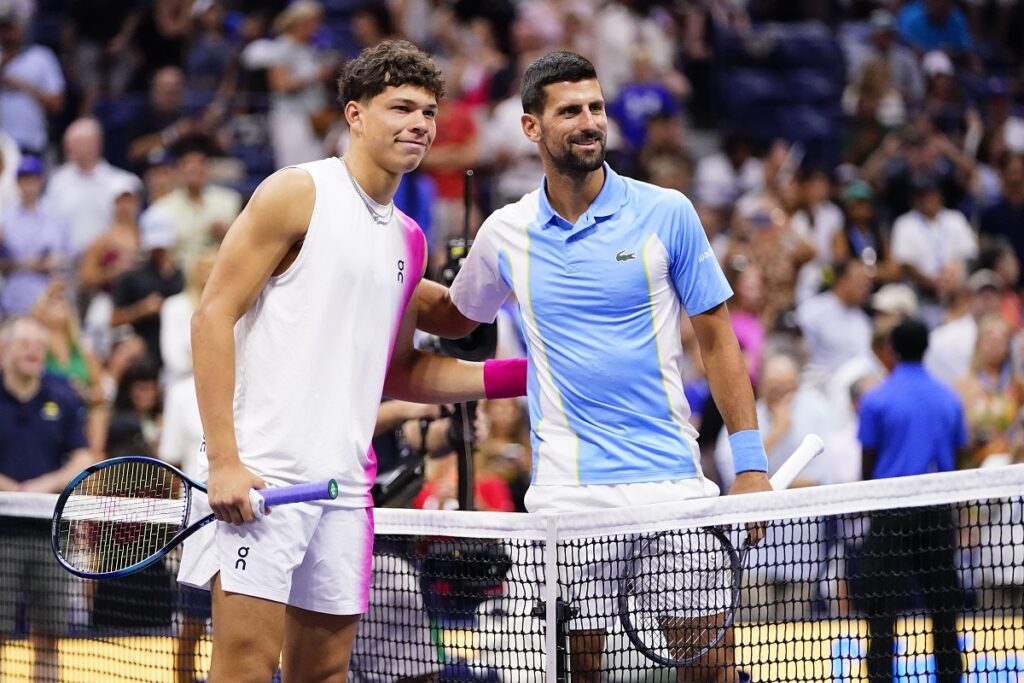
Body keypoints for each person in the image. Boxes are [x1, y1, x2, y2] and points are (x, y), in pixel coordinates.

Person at [176, 40, 526, 683]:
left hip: (344, 485)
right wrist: (224, 459)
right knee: (247, 667)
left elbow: (401, 374)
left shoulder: (408, 239)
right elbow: (211, 316)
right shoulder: (296, 193)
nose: (418, 124)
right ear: (355, 114)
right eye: (400, 108)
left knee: (326, 673)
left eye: (427, 111)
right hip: (264, 476)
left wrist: (530, 377)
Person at [417, 51, 770, 682]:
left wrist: (749, 468)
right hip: (567, 496)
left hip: (672, 486)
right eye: (570, 110)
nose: (589, 122)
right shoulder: (505, 233)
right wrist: (379, 273)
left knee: (712, 671)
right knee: (572, 674)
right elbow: (455, 316)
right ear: (532, 128)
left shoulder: (668, 213)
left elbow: (718, 343)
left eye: (596, 107)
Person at [855, 317, 966, 682]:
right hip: (937, 508)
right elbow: (958, 454)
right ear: (926, 348)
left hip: (890, 509)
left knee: (882, 612)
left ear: (891, 351)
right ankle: (951, 678)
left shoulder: (877, 398)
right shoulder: (948, 397)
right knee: (943, 608)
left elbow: (867, 462)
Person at [0, 315, 97, 683]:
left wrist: (41, 486)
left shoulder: (62, 396)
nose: (33, 350)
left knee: (49, 635)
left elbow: (83, 456)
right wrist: (10, 489)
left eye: (39, 345)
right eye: (25, 343)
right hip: (2, 532)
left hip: (49, 532)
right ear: (5, 348)